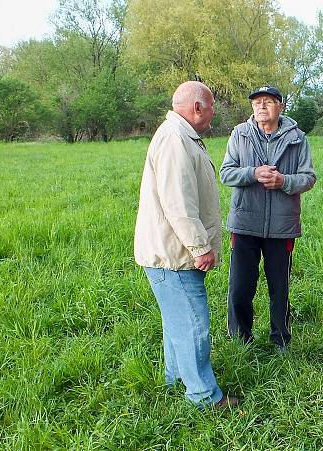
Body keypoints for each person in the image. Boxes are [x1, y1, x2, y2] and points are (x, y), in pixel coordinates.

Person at [134, 81, 239, 409]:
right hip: (174, 255)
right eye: (210, 107)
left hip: (168, 253)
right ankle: (205, 396)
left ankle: (175, 377)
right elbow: (178, 203)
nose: (212, 114)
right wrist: (199, 247)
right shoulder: (176, 139)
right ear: (197, 107)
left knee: (177, 321)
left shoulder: (179, 135)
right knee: (194, 324)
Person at [220, 85, 316, 353]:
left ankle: (280, 339)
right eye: (257, 102)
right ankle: (240, 339)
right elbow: (226, 173)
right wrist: (253, 173)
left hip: (282, 226)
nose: (262, 106)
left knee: (279, 288)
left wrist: (283, 181)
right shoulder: (240, 134)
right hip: (245, 223)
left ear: (280, 107)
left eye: (269, 102)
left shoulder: (298, 138)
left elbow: (308, 178)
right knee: (240, 287)